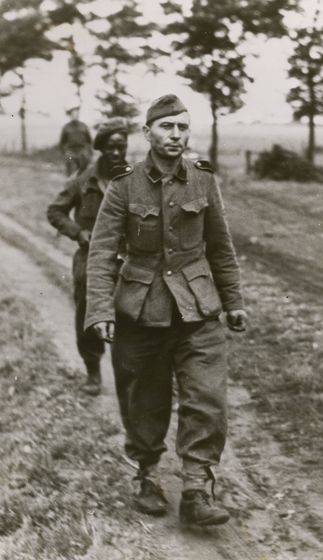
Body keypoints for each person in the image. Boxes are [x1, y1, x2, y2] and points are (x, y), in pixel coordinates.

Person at [84, 94, 247, 527]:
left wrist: (233, 302)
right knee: (145, 400)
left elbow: (221, 248)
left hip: (198, 311)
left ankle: (196, 487)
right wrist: (100, 310)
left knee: (207, 399)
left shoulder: (203, 181)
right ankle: (148, 476)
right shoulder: (123, 185)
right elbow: (101, 253)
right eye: (166, 127)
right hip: (141, 312)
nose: (175, 136)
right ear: (148, 133)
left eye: (181, 128)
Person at [48, 117, 130, 396]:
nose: (117, 153)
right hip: (90, 258)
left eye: (122, 147)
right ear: (100, 148)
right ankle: (93, 370)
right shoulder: (83, 181)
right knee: (87, 313)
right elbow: (55, 211)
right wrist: (78, 233)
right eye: (111, 148)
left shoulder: (134, 181)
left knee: (133, 315)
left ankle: (131, 375)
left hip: (126, 258)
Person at [59, 106, 92, 176]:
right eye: (73, 114)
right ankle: (71, 183)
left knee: (83, 171)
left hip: (82, 151)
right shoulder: (66, 127)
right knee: (71, 168)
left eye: (76, 114)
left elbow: (89, 141)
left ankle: (82, 183)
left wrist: (88, 151)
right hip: (71, 152)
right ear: (70, 115)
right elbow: (62, 143)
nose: (75, 116)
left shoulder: (83, 126)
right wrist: (65, 152)